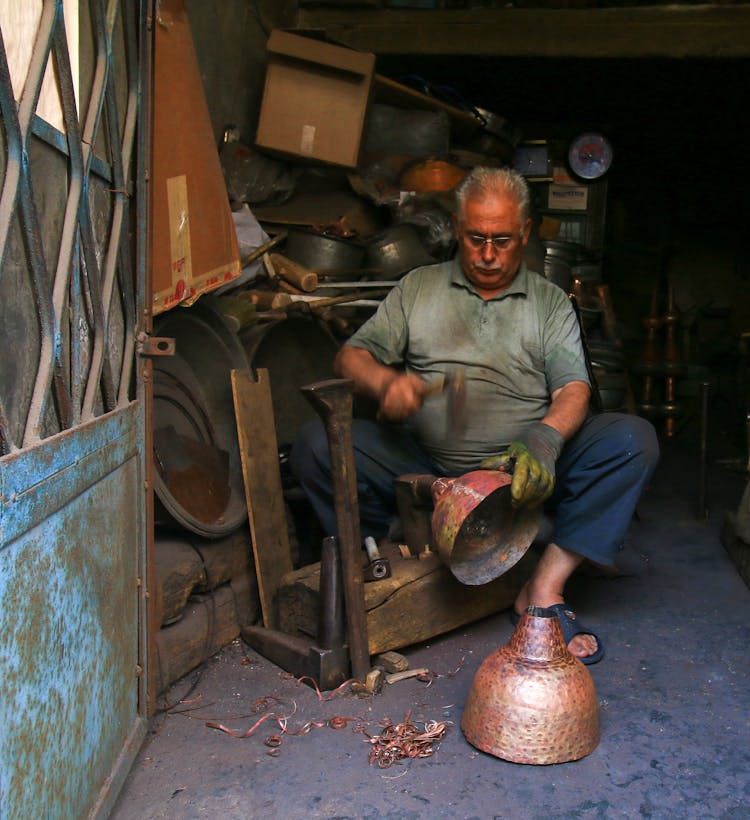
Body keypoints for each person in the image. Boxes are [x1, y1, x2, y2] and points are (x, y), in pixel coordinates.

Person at [291, 166, 659, 664]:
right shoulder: (418, 288)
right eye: (475, 238)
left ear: (525, 233)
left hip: (519, 471)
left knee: (631, 440)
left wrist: (546, 439)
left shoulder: (548, 302)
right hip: (428, 461)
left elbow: (573, 387)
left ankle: (543, 589)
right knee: (316, 445)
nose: (488, 254)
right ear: (458, 228)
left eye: (503, 240)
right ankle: (388, 555)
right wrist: (385, 383)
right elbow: (350, 357)